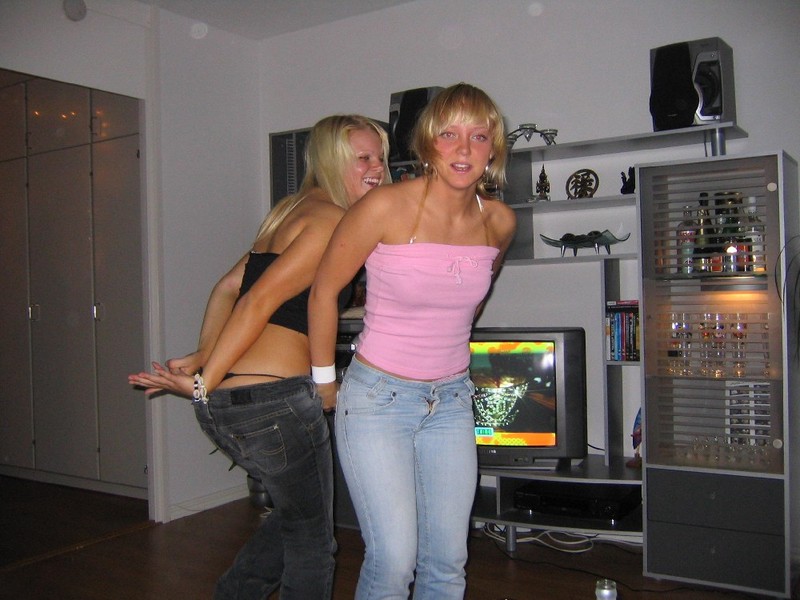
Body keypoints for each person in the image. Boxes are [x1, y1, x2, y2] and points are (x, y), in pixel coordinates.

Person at [128, 114, 390, 600]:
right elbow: (258, 301)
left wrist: (205, 358)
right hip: (275, 403)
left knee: (294, 520)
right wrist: (203, 380)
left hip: (233, 406)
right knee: (313, 544)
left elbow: (228, 287)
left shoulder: (291, 211)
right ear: (331, 160)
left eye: (379, 156)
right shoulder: (331, 220)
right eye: (362, 158)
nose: (376, 167)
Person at [308, 83, 517, 599]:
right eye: (449, 135)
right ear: (427, 144)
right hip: (379, 400)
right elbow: (324, 291)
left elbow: (472, 297)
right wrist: (325, 385)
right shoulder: (384, 207)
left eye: (478, 136)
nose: (463, 149)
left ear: (493, 149)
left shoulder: (500, 221)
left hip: (451, 401)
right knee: (394, 559)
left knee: (447, 562)